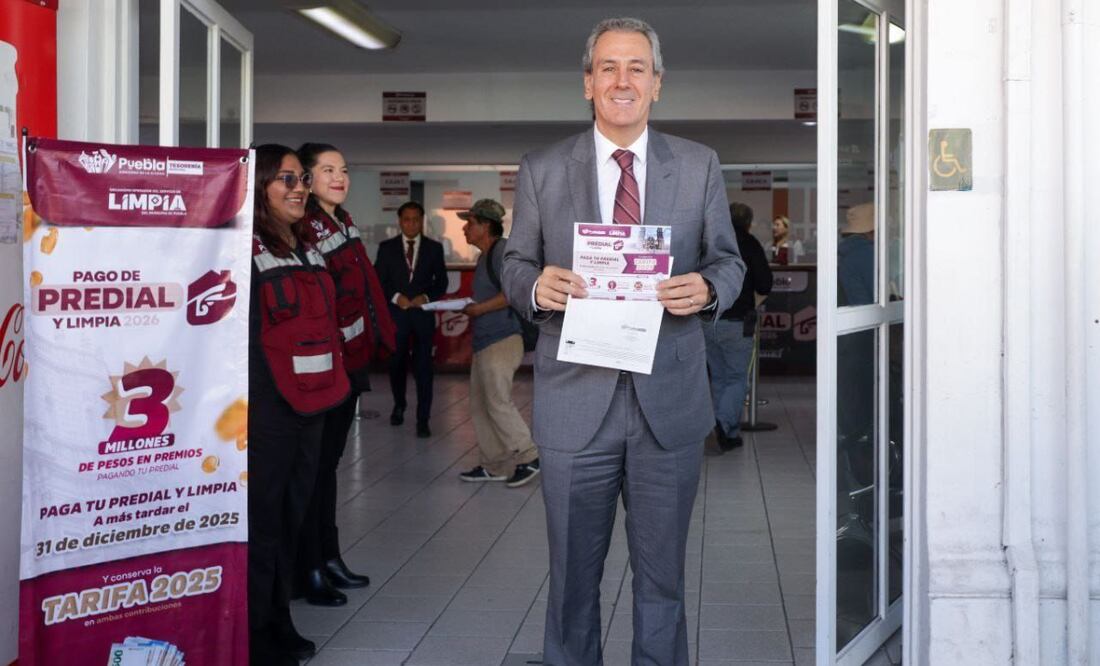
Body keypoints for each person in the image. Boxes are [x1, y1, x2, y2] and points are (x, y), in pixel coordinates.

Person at [501, 17, 745, 665]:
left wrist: (709, 288)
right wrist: (534, 285)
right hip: (574, 405)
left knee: (662, 583)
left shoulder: (697, 166)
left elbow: (730, 260)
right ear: (587, 82)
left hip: (669, 406)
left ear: (658, 84)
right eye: (608, 67)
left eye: (637, 67)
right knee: (572, 583)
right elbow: (514, 258)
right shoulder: (545, 168)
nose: (622, 80)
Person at [247, 144, 350, 665]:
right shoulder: (246, 252)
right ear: (259, 185)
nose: (299, 188)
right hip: (267, 413)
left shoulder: (309, 247)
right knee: (262, 522)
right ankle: (254, 629)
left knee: (292, 517)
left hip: (314, 407)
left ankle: (280, 616)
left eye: (301, 179)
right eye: (285, 179)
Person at [294, 142, 396, 606]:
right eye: (328, 169)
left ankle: (327, 555)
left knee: (328, 468)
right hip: (326, 367)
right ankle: (308, 565)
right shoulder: (307, 226)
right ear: (307, 179)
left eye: (345, 169)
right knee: (313, 471)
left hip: (349, 363)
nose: (340, 177)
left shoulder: (342, 220)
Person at [455, 198, 541, 488]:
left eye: (471, 223)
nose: (466, 229)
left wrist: (478, 309)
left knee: (497, 401)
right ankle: (495, 465)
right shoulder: (485, 256)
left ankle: (529, 456)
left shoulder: (502, 252)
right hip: (484, 341)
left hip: (502, 339)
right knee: (480, 405)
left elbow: (511, 294)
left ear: (486, 225)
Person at [374, 201, 448, 438]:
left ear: (422, 220)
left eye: (416, 219)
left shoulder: (434, 248)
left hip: (423, 318)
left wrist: (425, 297)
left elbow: (442, 282)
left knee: (424, 369)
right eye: (407, 219)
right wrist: (397, 298)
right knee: (396, 366)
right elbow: (379, 282)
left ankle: (423, 419)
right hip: (397, 318)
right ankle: (399, 404)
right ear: (400, 221)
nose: (411, 223)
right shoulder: (386, 248)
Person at [705, 202, 774, 452]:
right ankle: (725, 429)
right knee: (736, 378)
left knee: (717, 378)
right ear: (748, 222)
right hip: (737, 322)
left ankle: (715, 425)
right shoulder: (750, 243)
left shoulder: (709, 241)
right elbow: (765, 283)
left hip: (706, 320)